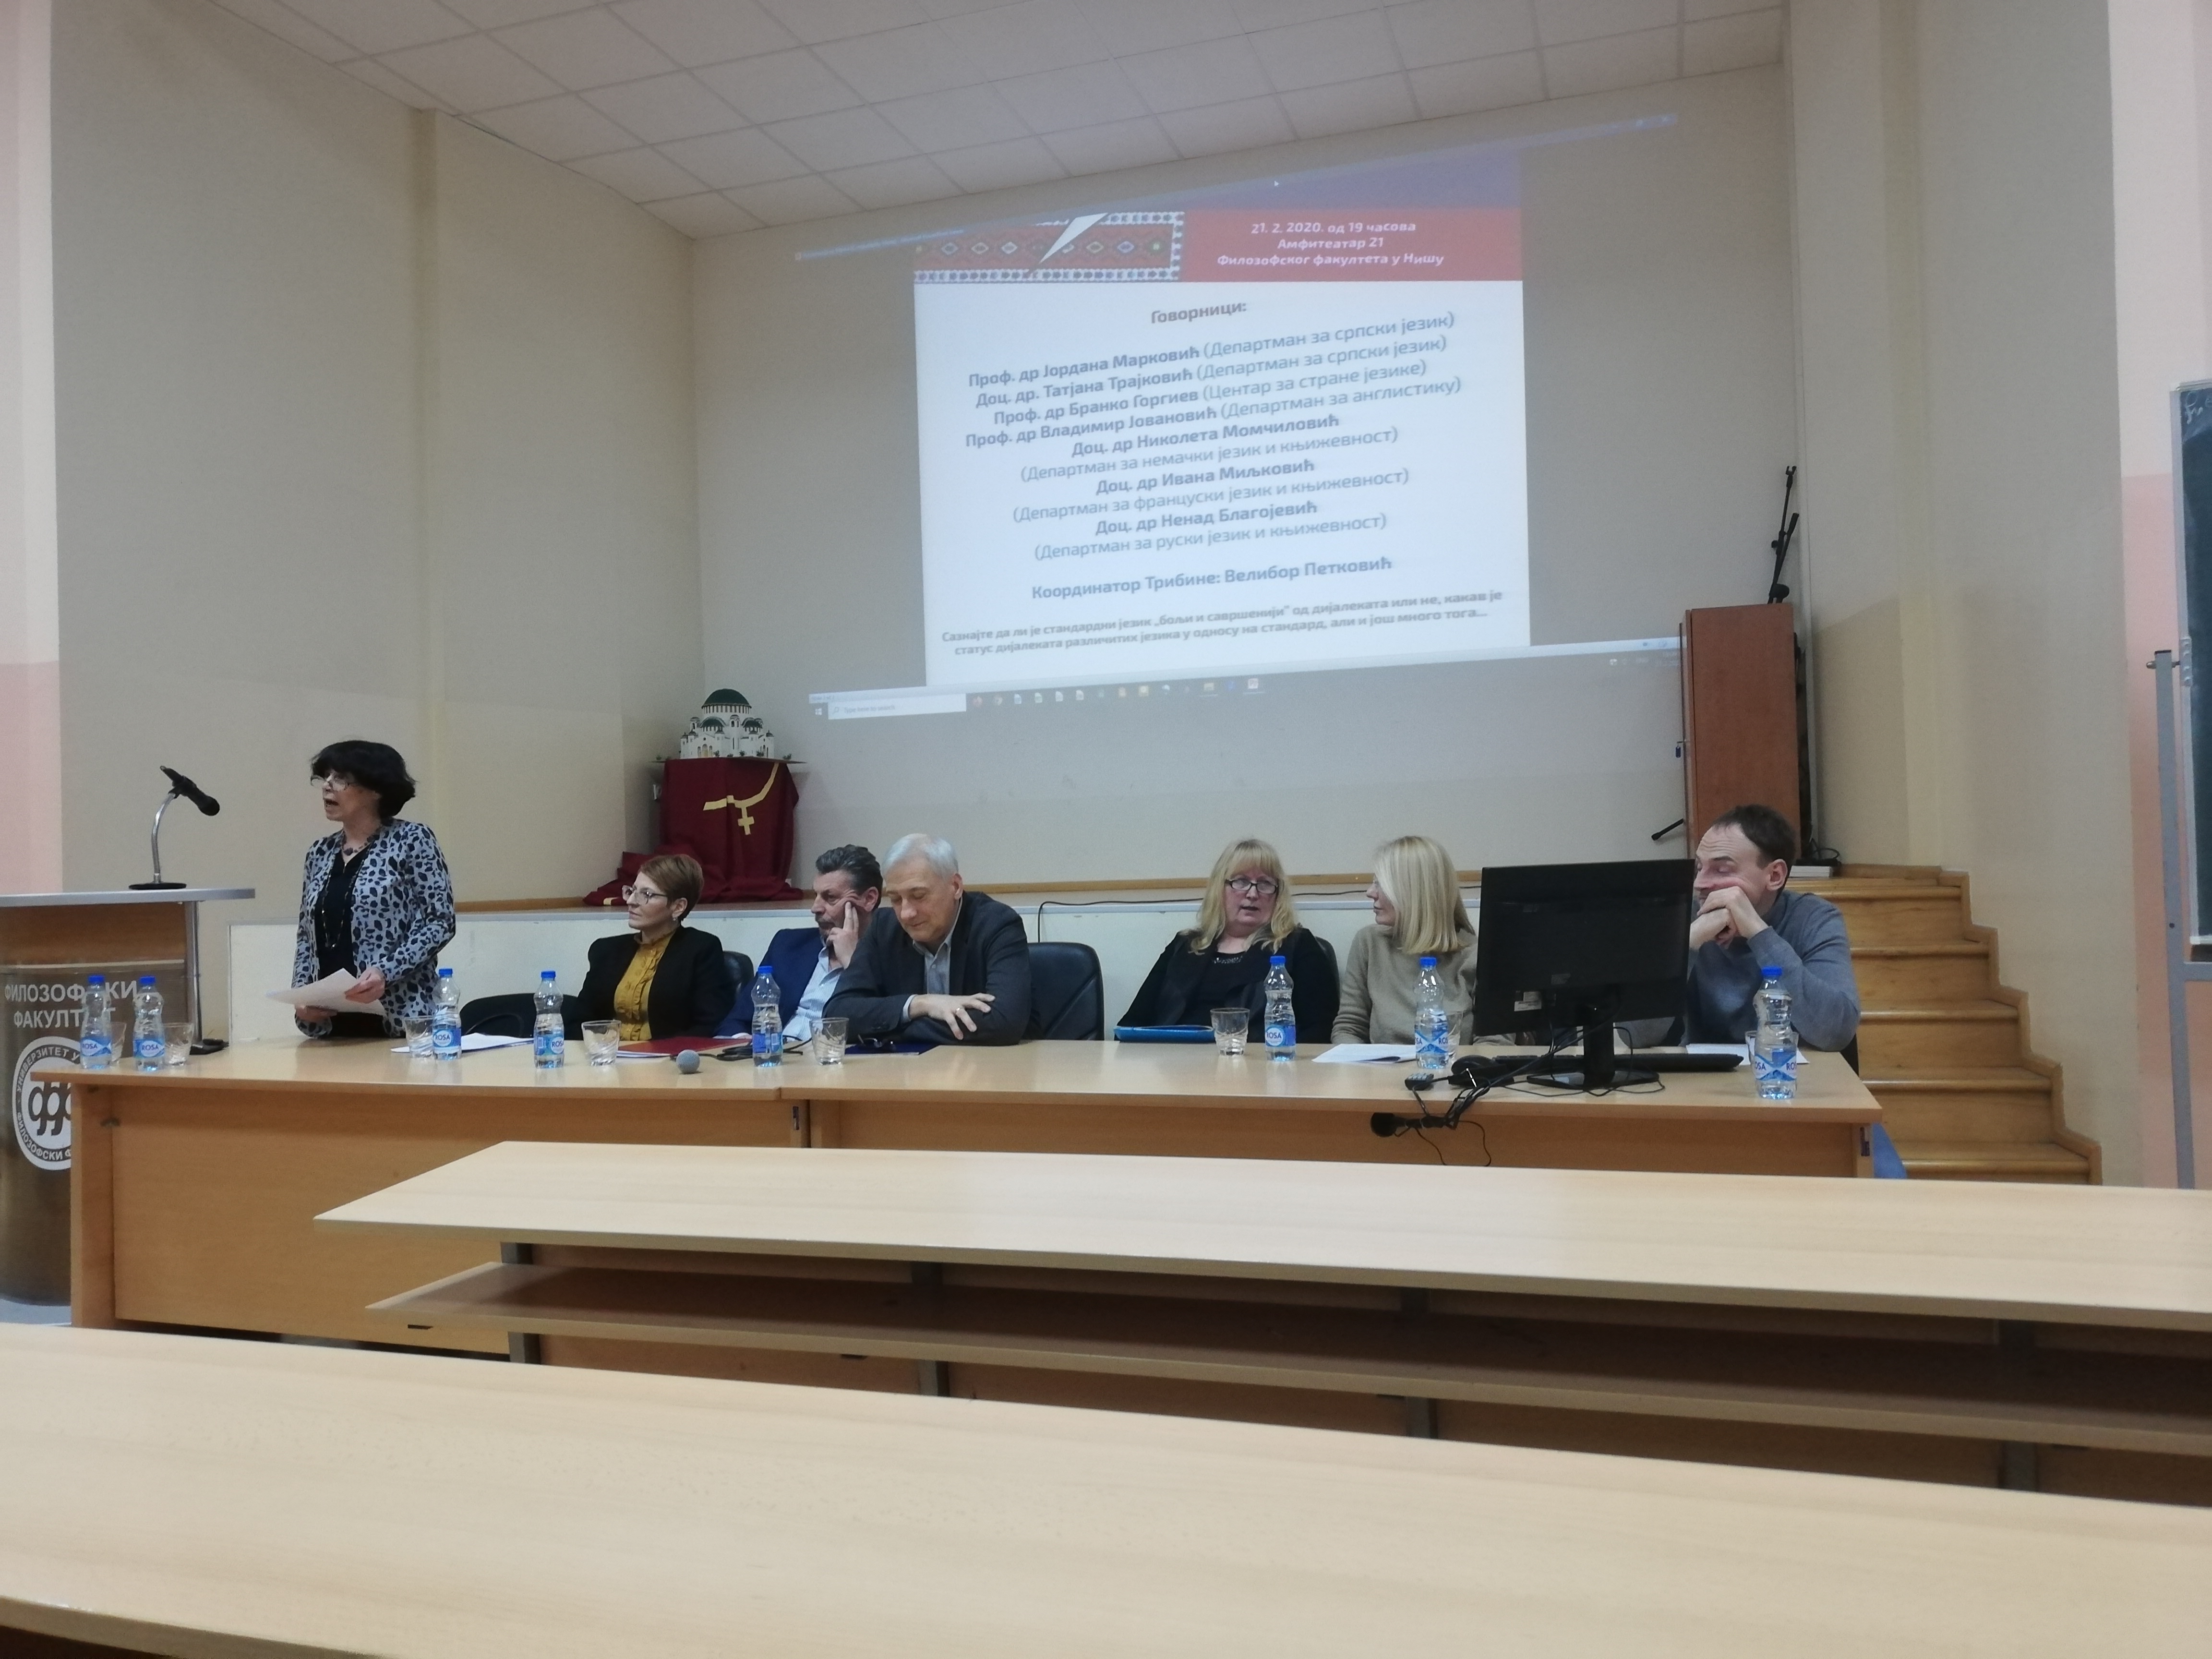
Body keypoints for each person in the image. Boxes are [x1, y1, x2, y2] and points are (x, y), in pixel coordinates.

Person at [291, 741, 456, 1040]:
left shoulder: (412, 840)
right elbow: (306, 935)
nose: (327, 786)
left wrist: (385, 972)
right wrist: (301, 993)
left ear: (376, 790)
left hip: (399, 1020)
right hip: (332, 1025)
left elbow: (440, 922)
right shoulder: (320, 852)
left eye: (341, 779)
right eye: (325, 777)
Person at [1663, 804, 1859, 1051]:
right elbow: (1638, 1036)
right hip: (1702, 1072)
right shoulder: (1682, 916)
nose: (1699, 884)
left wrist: (1759, 933)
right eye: (1699, 869)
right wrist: (1686, 943)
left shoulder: (1814, 918)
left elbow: (1835, 1033)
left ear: (1775, 875)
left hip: (1788, 1070)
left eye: (1722, 870)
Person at [1120, 838, 1338, 1042]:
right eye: (1241, 882)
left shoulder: (1297, 946)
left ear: (1278, 895)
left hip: (1255, 1065)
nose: (1252, 894)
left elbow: (1319, 1032)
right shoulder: (1185, 945)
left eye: (1265, 884)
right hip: (1174, 1061)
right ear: (1220, 889)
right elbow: (1132, 1023)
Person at [824, 834, 1034, 1044]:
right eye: (896, 899)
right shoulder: (884, 928)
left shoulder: (996, 924)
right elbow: (837, 1016)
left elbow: (1005, 1022)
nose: (906, 913)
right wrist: (921, 1004)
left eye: (919, 896)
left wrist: (889, 1027)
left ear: (955, 887)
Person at [1332, 836, 1478, 1044]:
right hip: (1379, 1066)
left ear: (1414, 892)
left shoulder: (1477, 955)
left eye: (1381, 885)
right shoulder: (1370, 943)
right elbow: (1349, 1028)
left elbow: (1494, 1045)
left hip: (1453, 1066)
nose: (1370, 893)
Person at [577, 853, 737, 1041]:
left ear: (678, 907)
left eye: (646, 895)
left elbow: (709, 1025)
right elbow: (582, 1019)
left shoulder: (701, 949)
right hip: (607, 1055)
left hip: (667, 1056)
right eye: (632, 891)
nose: (631, 901)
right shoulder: (606, 950)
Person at [741, 844, 883, 1044]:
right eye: (816, 896)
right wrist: (744, 1044)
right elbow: (737, 1020)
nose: (815, 908)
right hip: (776, 1054)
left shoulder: (891, 957)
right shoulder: (787, 945)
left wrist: (853, 963)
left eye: (830, 897)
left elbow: (881, 1026)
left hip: (834, 1058)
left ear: (869, 899)